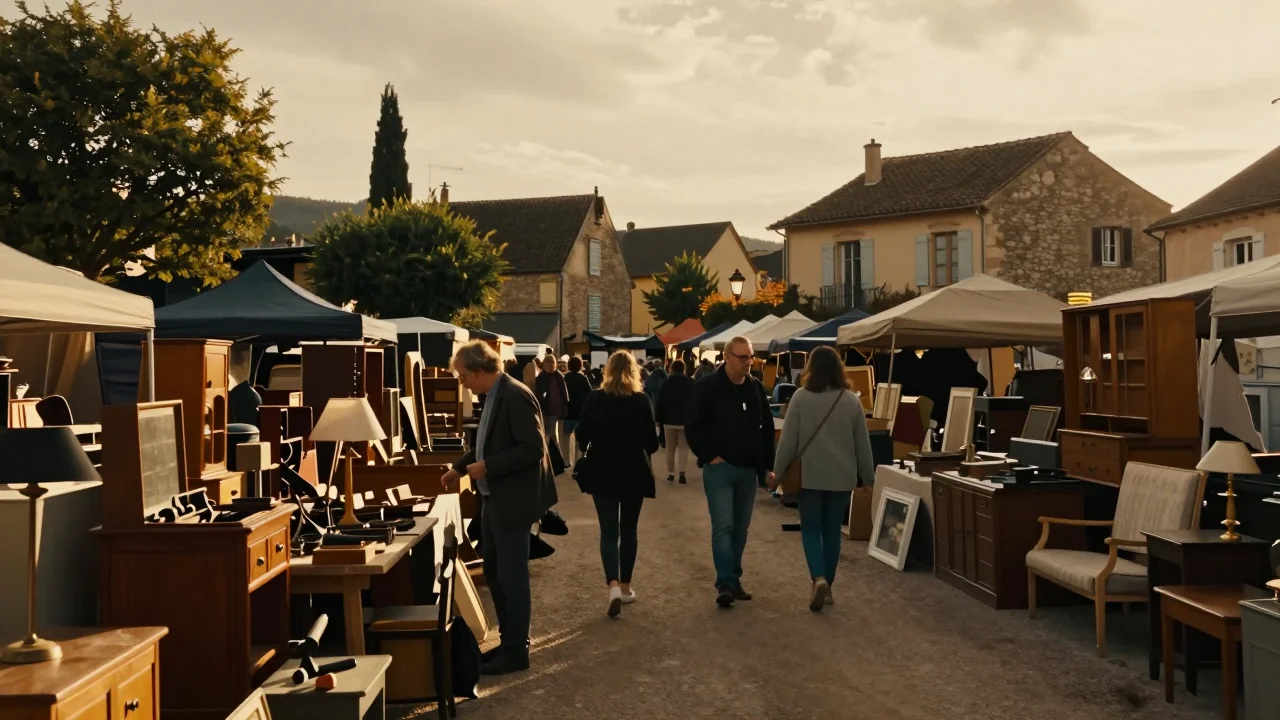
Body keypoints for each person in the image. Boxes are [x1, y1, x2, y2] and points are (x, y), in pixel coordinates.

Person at [441, 341, 558, 675]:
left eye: (464, 376)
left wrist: (488, 466)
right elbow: (485, 440)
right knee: (495, 571)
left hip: (513, 500)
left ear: (480, 370)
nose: (462, 382)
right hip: (495, 498)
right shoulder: (494, 394)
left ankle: (516, 650)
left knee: (512, 577)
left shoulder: (515, 395)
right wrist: (460, 467)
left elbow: (533, 448)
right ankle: (509, 643)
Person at [769, 346, 875, 611]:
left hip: (810, 476)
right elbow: (862, 443)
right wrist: (868, 478)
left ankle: (817, 578)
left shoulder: (800, 398)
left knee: (810, 528)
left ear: (811, 369)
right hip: (842, 477)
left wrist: (778, 474)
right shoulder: (851, 400)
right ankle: (828, 583)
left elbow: (788, 443)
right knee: (832, 532)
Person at [685, 336, 775, 608]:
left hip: (748, 469)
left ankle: (733, 578)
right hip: (720, 469)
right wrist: (710, 456)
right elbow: (694, 425)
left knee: (741, 528)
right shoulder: (708, 387)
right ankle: (725, 581)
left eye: (750, 357)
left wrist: (766, 466)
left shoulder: (755, 387)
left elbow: (767, 429)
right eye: (743, 357)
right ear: (727, 356)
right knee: (723, 525)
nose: (749, 362)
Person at [575, 351, 660, 617]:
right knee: (630, 529)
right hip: (633, 471)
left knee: (609, 531)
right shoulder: (641, 400)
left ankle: (611, 583)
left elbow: (582, 433)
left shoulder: (596, 398)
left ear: (607, 370)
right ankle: (625, 586)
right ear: (635, 371)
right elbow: (652, 444)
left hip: (602, 470)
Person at [655, 359, 695, 484]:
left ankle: (671, 473)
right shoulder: (691, 383)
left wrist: (658, 418)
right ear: (684, 369)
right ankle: (682, 472)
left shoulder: (666, 383)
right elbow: (695, 403)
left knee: (670, 449)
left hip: (668, 421)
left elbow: (660, 402)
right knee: (683, 448)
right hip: (685, 421)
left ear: (672, 369)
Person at [563, 356, 592, 461]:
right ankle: (578, 460)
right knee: (579, 439)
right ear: (580, 366)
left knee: (566, 438)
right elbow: (590, 394)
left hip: (568, 412)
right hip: (580, 412)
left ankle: (566, 461)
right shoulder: (583, 378)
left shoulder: (565, 378)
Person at [534, 354, 569, 442]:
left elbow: (538, 393)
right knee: (551, 432)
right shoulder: (558, 376)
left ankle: (548, 451)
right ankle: (552, 452)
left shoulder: (543, 376)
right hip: (553, 409)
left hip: (549, 408)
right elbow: (564, 393)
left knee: (549, 432)